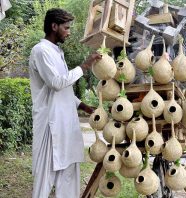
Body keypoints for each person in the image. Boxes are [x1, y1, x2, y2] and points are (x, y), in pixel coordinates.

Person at [29, 8, 102, 198]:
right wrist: (84, 66)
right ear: (54, 26)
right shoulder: (41, 51)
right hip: (49, 125)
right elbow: (56, 83)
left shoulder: (56, 51)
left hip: (65, 125)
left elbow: (64, 89)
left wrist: (84, 106)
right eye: (66, 28)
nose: (69, 32)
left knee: (69, 179)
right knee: (44, 181)